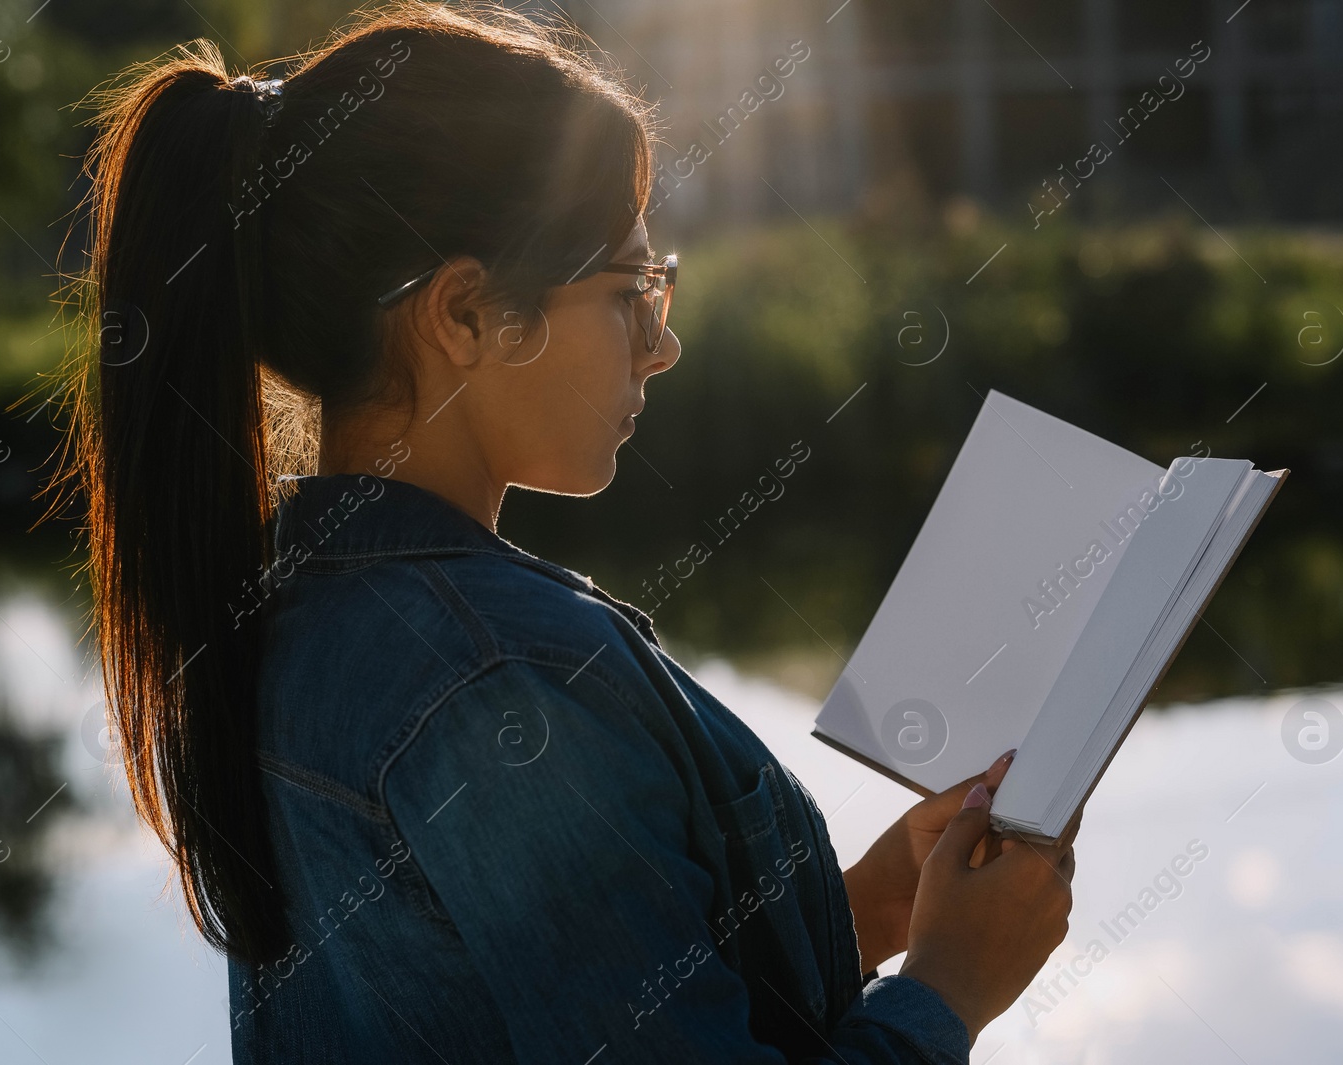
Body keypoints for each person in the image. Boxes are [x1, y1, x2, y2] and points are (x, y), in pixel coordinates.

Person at [58, 2, 1076, 1061]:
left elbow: (530, 986)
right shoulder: (499, 683)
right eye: (631, 289)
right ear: (464, 317)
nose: (663, 342)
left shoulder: (293, 618)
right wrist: (949, 990)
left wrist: (876, 905)